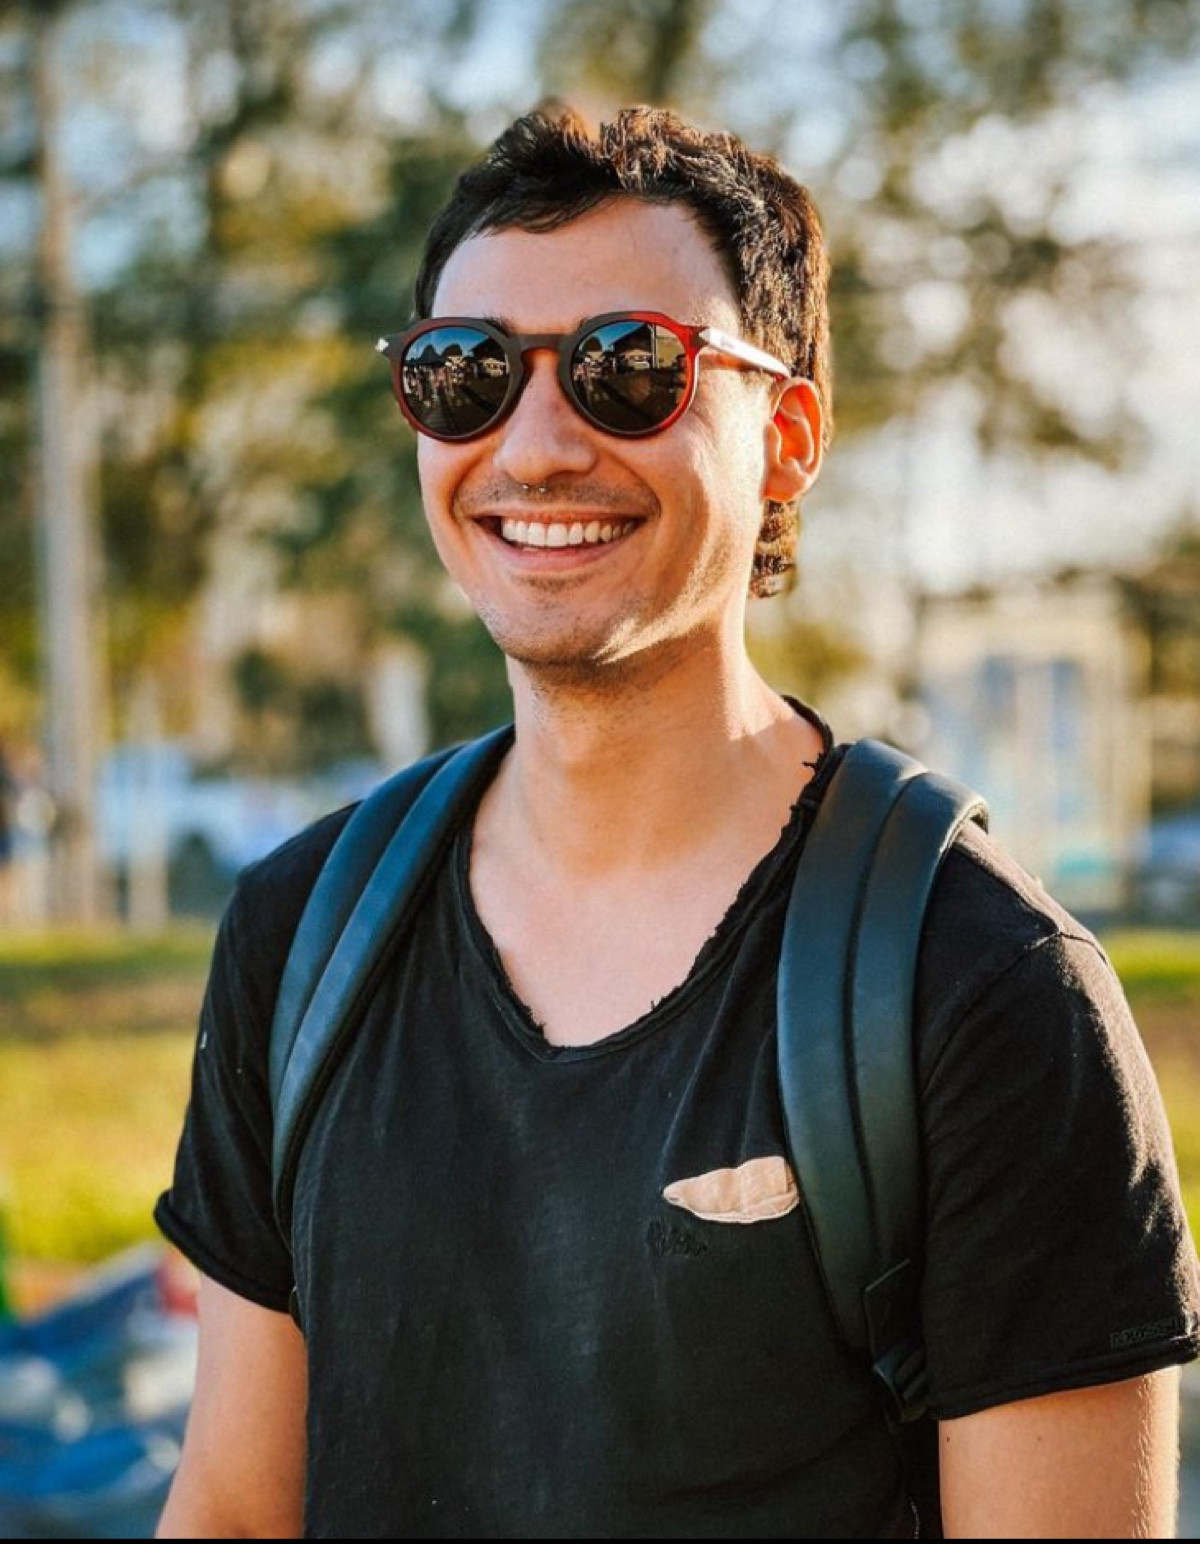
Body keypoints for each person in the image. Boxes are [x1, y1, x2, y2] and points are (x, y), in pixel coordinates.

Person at [154, 105, 1199, 1539]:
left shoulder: (978, 990)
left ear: (789, 437)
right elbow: (231, 1509)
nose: (534, 447)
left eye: (627, 368)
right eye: (465, 375)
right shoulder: (300, 939)